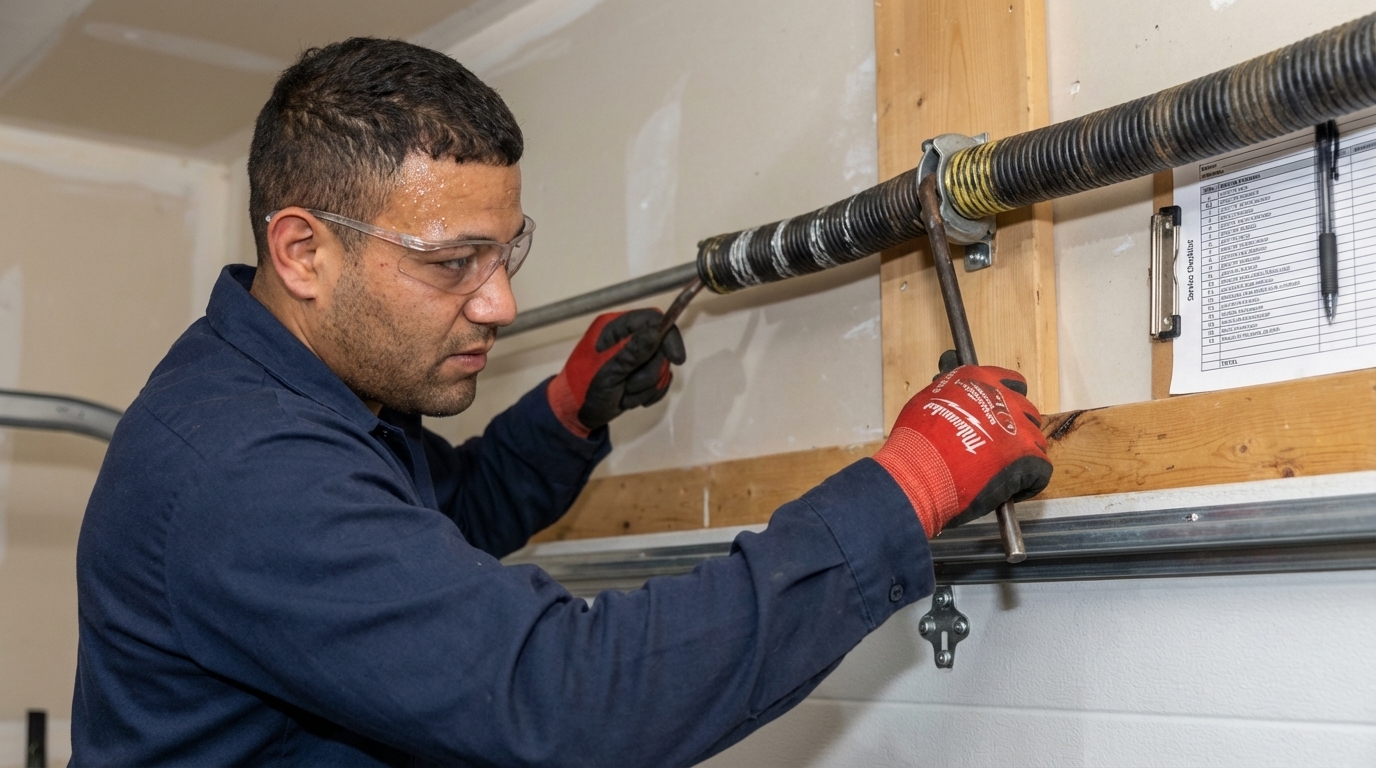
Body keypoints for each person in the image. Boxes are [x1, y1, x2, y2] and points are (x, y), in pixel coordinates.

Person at [71, 38, 1051, 766]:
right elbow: (567, 699)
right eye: (453, 263)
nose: (498, 303)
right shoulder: (245, 470)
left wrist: (561, 418)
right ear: (302, 254)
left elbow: (425, 527)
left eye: (505, 255)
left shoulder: (309, 397)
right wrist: (908, 482)